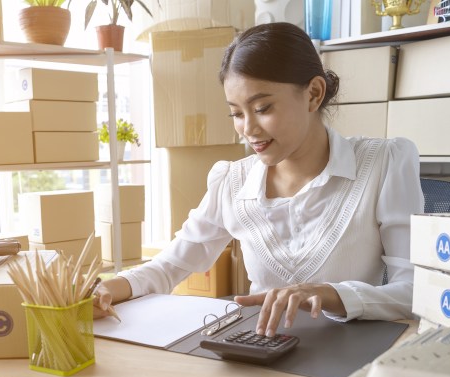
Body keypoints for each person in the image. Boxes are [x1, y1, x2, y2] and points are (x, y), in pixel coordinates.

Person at [93, 22, 424, 337]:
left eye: (263, 108)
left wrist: (329, 294)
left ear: (313, 94)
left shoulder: (383, 164)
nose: (248, 129)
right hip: (260, 353)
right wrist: (107, 289)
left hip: (349, 359)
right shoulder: (232, 181)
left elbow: (414, 292)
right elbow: (169, 266)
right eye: (237, 113)